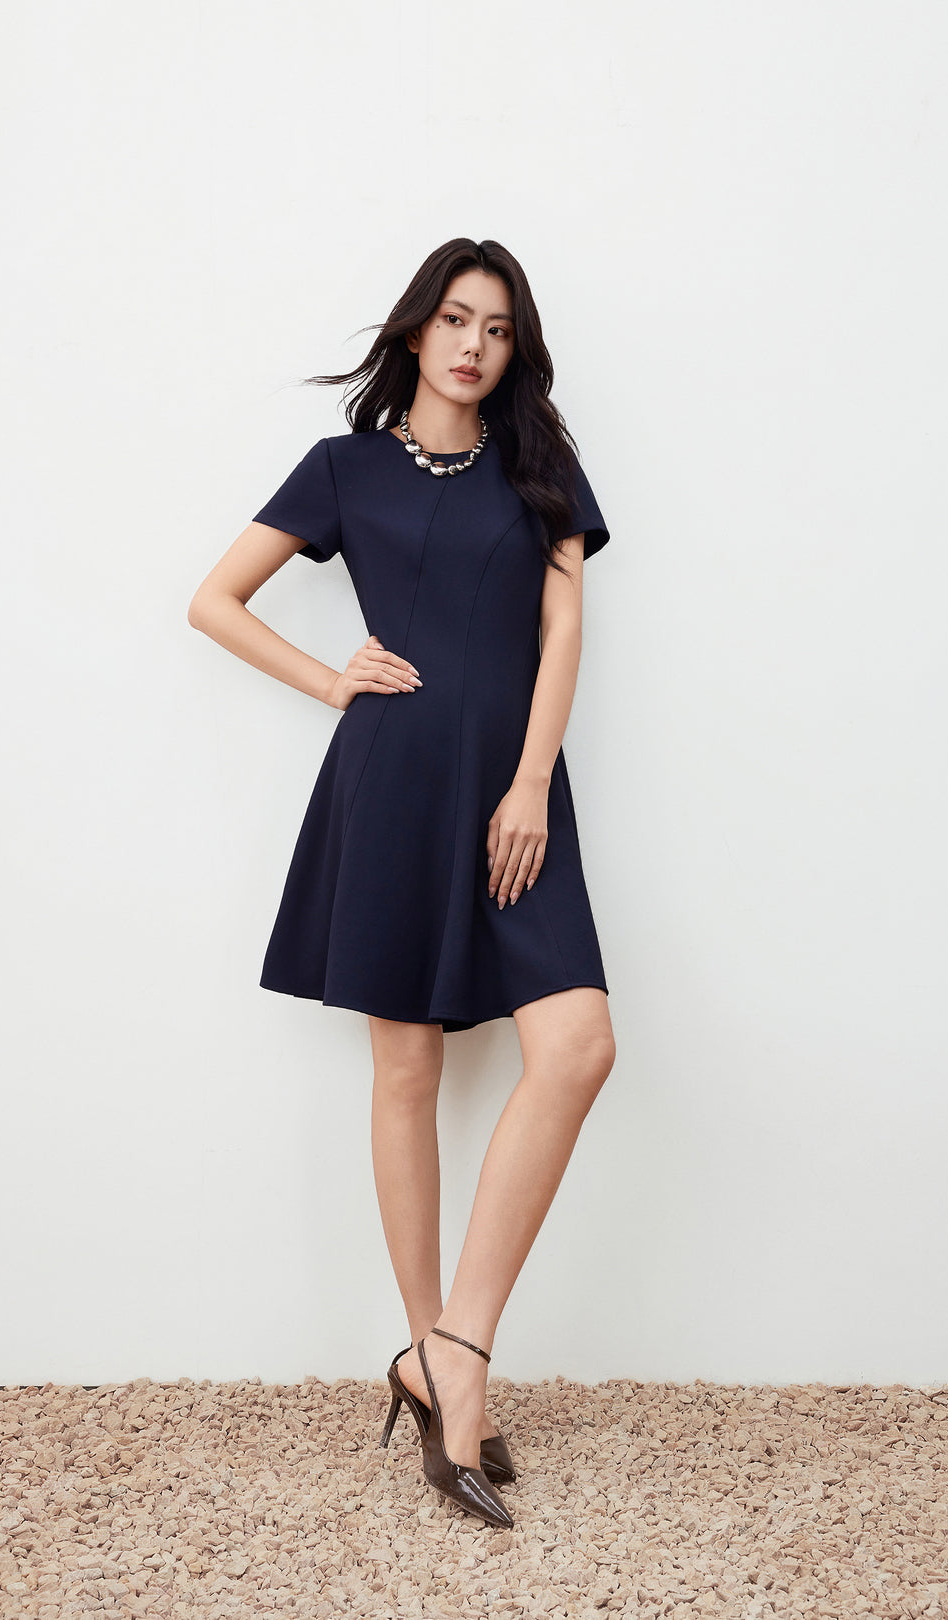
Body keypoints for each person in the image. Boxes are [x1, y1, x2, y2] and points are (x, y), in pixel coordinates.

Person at [188, 238, 616, 1528]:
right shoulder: (345, 469)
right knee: (408, 1070)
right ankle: (436, 1357)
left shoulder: (538, 464)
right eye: (456, 320)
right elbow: (215, 600)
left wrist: (531, 780)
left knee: (578, 1045)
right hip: (390, 786)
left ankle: (454, 1349)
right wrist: (334, 680)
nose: (474, 345)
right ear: (417, 330)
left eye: (498, 327)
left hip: (512, 791)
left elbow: (562, 626)